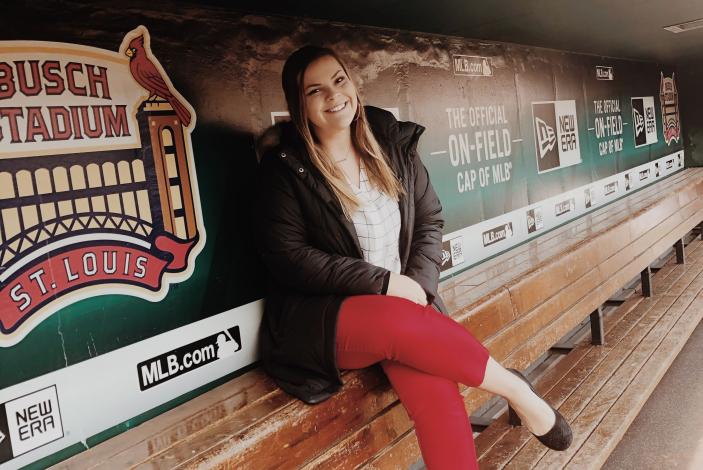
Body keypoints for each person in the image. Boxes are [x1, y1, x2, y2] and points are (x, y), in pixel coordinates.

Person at [254, 45, 572, 469]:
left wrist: (418, 286)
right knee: (397, 322)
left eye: (339, 80)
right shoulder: (285, 167)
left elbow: (429, 221)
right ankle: (515, 390)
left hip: (404, 304)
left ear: (353, 82)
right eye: (315, 90)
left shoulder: (391, 142)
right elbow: (291, 258)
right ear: (299, 103)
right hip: (326, 317)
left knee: (437, 394)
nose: (334, 95)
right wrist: (384, 284)